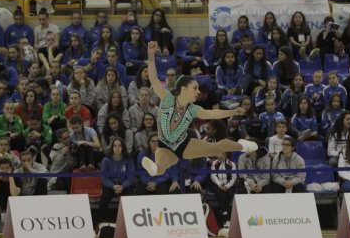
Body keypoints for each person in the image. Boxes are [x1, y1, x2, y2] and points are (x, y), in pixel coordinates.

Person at [142, 41, 258, 176]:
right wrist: (151, 55)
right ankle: (154, 168)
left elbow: (213, 113)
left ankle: (243, 146)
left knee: (216, 149)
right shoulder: (167, 99)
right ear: (184, 89)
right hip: (164, 145)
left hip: (183, 145)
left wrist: (232, 111)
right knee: (159, 168)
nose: (198, 92)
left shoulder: (193, 109)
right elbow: (154, 79)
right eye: (195, 88)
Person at [99, 137, 135, 223]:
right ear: (112, 148)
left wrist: (123, 186)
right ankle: (102, 223)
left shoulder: (128, 159)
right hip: (111, 185)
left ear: (123, 147)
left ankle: (130, 221)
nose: (117, 148)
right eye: (115, 146)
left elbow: (131, 177)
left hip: (124, 184)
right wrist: (113, 186)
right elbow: (104, 178)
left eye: (120, 146)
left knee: (130, 195)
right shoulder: (106, 160)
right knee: (104, 199)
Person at [0, 158, 21, 223]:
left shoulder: (16, 179)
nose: (5, 170)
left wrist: (10, 177)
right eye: (2, 168)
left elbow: (14, 195)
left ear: (11, 168)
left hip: (12, 209)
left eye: (7, 168)